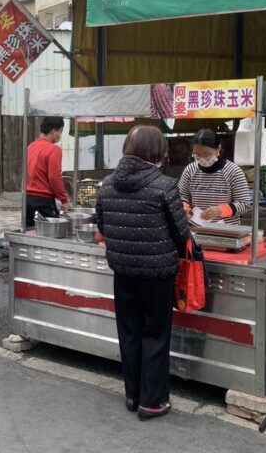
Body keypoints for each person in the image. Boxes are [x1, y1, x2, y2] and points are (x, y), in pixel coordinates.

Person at [96, 125, 190, 421]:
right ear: (157, 152)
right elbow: (181, 233)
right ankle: (152, 402)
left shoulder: (107, 184)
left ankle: (132, 395)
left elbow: (102, 227)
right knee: (155, 334)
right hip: (157, 274)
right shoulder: (164, 186)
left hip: (122, 271)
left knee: (129, 332)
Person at [178, 128, 251, 225]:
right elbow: (181, 195)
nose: (202, 158)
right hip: (197, 228)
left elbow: (244, 204)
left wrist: (220, 210)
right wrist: (184, 205)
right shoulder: (190, 170)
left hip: (227, 231)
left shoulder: (233, 171)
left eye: (206, 154)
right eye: (197, 154)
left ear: (218, 149)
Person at [25, 116, 71, 228]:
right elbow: (54, 177)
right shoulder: (54, 150)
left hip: (27, 199)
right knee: (52, 233)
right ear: (53, 131)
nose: (60, 135)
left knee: (31, 233)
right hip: (43, 201)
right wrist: (64, 200)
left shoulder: (30, 147)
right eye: (60, 132)